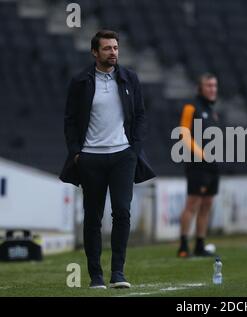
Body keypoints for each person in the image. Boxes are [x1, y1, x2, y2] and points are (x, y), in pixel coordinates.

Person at [59, 30, 155, 288]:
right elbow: (69, 119)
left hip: (123, 156)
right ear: (94, 52)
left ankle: (118, 273)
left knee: (122, 212)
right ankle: (96, 276)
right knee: (93, 217)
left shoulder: (129, 79)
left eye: (115, 48)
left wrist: (134, 149)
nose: (113, 52)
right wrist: (76, 152)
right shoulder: (80, 81)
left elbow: (141, 115)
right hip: (90, 158)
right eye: (107, 48)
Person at [177, 73, 220, 258]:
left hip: (213, 164)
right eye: (208, 85)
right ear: (200, 88)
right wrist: (202, 154)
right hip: (197, 163)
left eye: (214, 85)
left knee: (207, 203)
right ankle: (184, 245)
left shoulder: (212, 111)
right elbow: (183, 133)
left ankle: (200, 244)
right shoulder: (191, 107)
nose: (212, 89)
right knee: (193, 203)